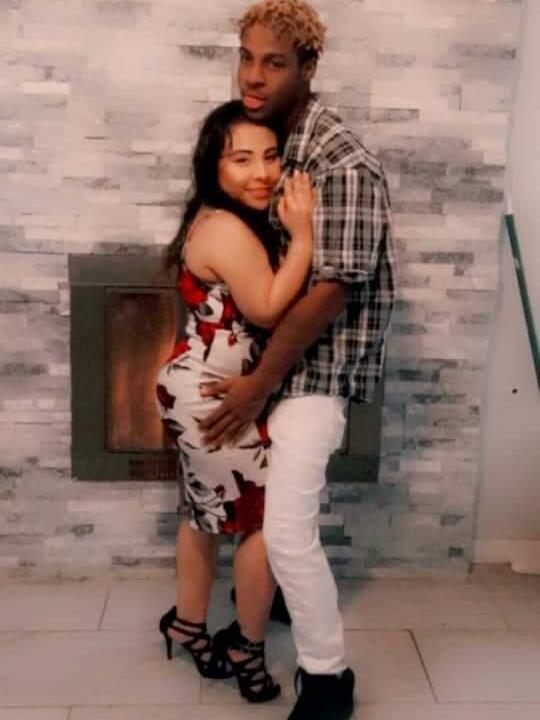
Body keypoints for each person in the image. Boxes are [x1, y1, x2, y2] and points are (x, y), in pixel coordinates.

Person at [199, 2, 397, 719]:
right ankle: (270, 602)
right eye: (246, 57)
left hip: (315, 370)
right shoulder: (273, 141)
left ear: (308, 68)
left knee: (285, 528)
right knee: (262, 512)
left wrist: (257, 386)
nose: (253, 76)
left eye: (274, 63)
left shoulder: (341, 162)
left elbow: (329, 295)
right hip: (273, 361)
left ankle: (328, 679)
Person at [155, 100, 316, 703]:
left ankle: (186, 625)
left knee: (203, 516)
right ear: (212, 167)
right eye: (242, 159)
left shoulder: (218, 217)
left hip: (196, 390)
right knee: (262, 524)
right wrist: (304, 234)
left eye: (271, 156)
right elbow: (269, 307)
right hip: (212, 399)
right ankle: (247, 647)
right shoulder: (225, 227)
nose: (262, 172)